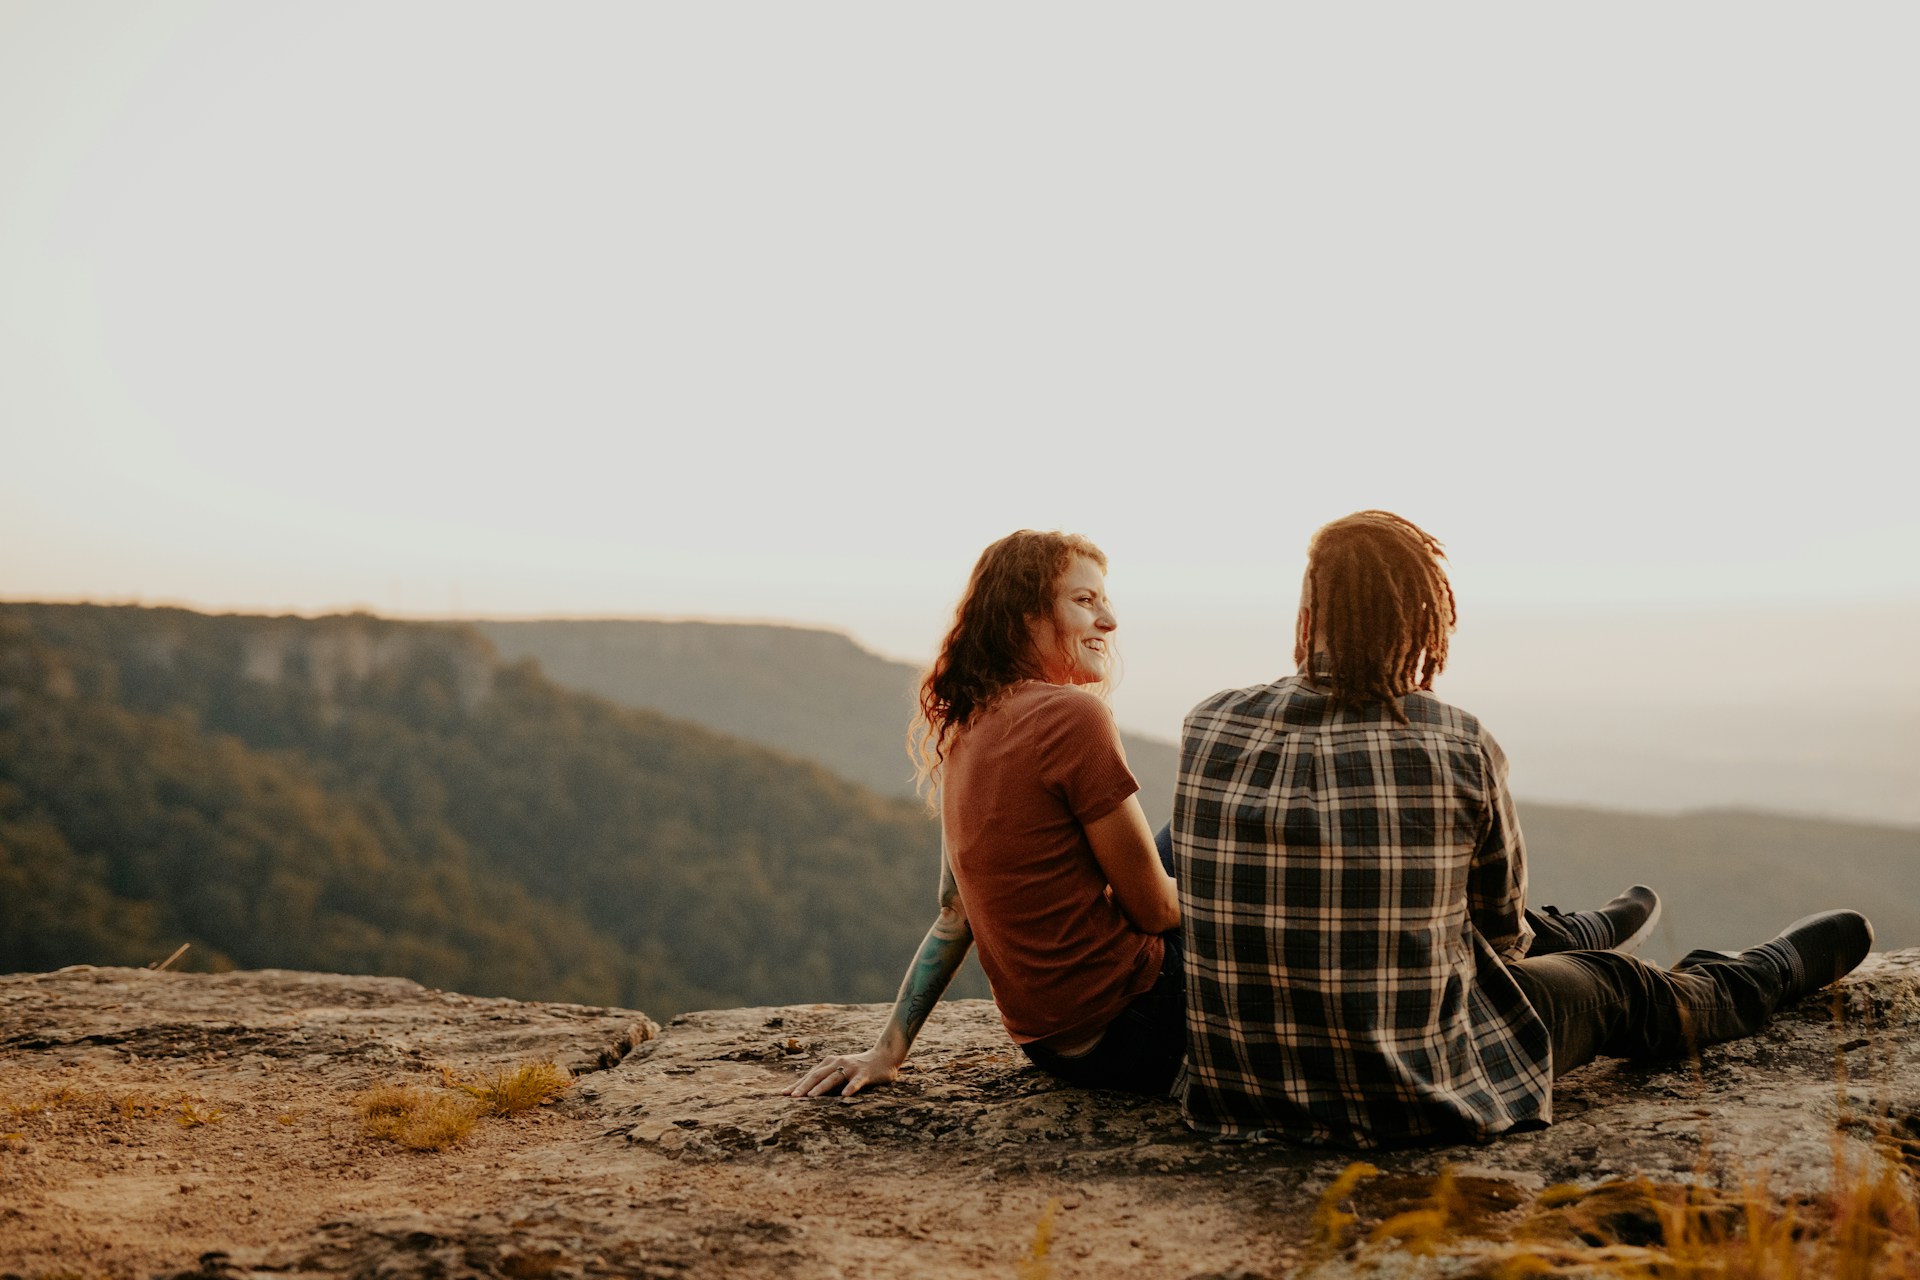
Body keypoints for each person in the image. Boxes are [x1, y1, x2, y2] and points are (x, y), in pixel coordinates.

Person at [1173, 510, 1874, 1147]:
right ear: (1421, 624)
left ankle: (1577, 930)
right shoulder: (1455, 741)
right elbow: (1501, 938)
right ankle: (1758, 975)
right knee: (1618, 986)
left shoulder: (1208, 723)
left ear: (1307, 617)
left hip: (1241, 1089)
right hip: (1413, 1090)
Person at [785, 529, 1185, 1099]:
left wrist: (888, 1051)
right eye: (1084, 600)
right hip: (1135, 1029)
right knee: (1214, 834)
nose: (1110, 620)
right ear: (1025, 616)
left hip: (1052, 1047)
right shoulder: (1074, 717)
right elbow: (1154, 908)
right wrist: (1245, 898)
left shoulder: (965, 730)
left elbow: (954, 916)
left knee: (1184, 835)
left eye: (1105, 600)